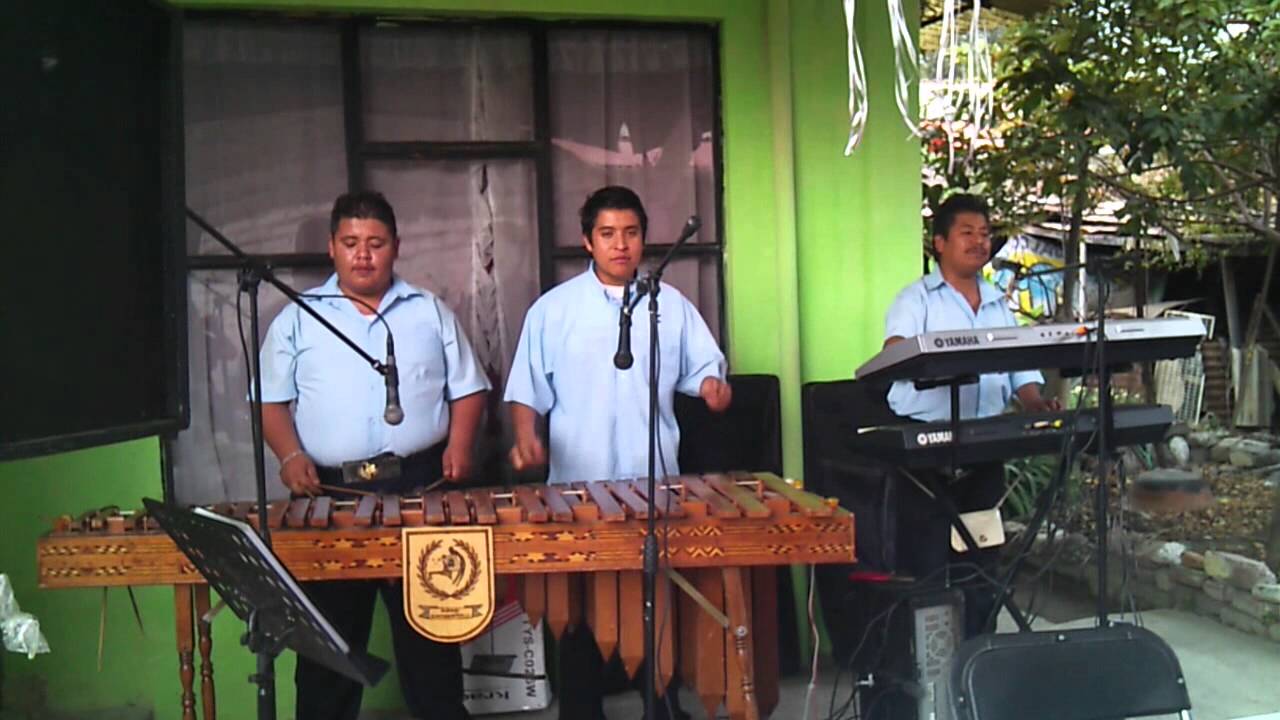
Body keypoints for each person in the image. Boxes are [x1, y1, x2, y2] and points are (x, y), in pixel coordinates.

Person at [503, 185, 731, 720]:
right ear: (587, 241)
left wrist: (713, 388)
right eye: (607, 234)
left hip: (655, 490)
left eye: (630, 233)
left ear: (644, 239)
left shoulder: (670, 306)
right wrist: (525, 436)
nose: (620, 245)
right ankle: (582, 713)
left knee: (658, 616)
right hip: (575, 493)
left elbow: (707, 370)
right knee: (579, 619)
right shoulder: (553, 310)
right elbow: (526, 390)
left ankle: (664, 708)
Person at [259, 191, 489, 720]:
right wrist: (290, 456)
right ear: (332, 248)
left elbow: (469, 388)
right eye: (351, 243)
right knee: (329, 652)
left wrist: (460, 444)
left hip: (421, 489)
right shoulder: (298, 317)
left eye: (376, 243)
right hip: (330, 494)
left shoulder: (429, 311)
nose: (363, 255)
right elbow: (270, 401)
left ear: (396, 247)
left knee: (431, 648)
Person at [882, 192, 1056, 637]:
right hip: (927, 450)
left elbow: (1021, 371)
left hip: (984, 446)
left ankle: (980, 652)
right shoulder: (916, 299)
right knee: (928, 559)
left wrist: (1035, 403)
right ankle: (933, 660)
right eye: (967, 232)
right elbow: (894, 351)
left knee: (981, 557)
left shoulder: (998, 303)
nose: (980, 241)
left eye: (985, 233)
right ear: (939, 243)